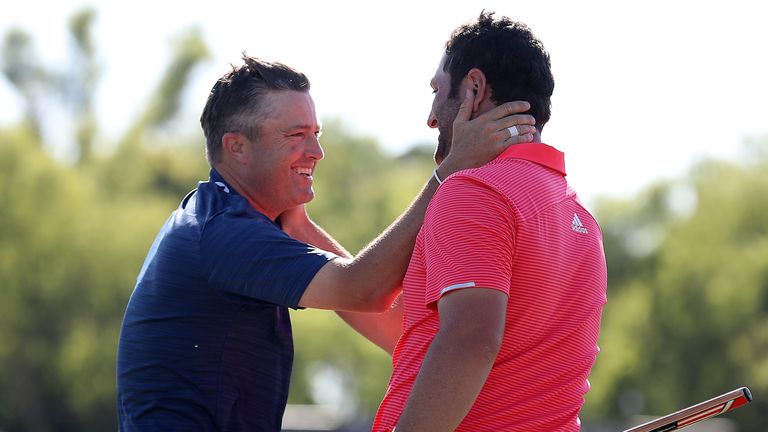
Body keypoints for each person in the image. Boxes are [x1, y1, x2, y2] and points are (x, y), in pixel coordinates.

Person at [115, 54, 537, 431]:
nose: (316, 150)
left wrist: (297, 225)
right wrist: (450, 172)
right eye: (295, 135)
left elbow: (396, 327)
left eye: (317, 133)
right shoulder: (222, 232)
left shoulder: (229, 218)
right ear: (237, 147)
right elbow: (364, 289)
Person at [371, 12, 608, 432]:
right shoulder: (579, 214)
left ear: (474, 89)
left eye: (436, 91)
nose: (430, 116)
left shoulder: (473, 191)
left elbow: (470, 340)